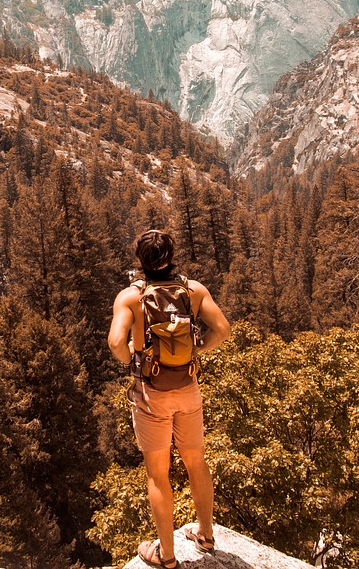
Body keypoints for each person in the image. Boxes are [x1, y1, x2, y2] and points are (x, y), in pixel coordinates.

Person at [108, 229, 231, 569]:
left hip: (151, 395)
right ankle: (205, 535)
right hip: (188, 390)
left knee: (157, 475)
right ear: (172, 256)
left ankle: (167, 556)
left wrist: (135, 358)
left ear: (140, 261)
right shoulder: (192, 291)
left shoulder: (130, 298)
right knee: (196, 462)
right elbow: (222, 329)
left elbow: (116, 342)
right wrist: (197, 351)